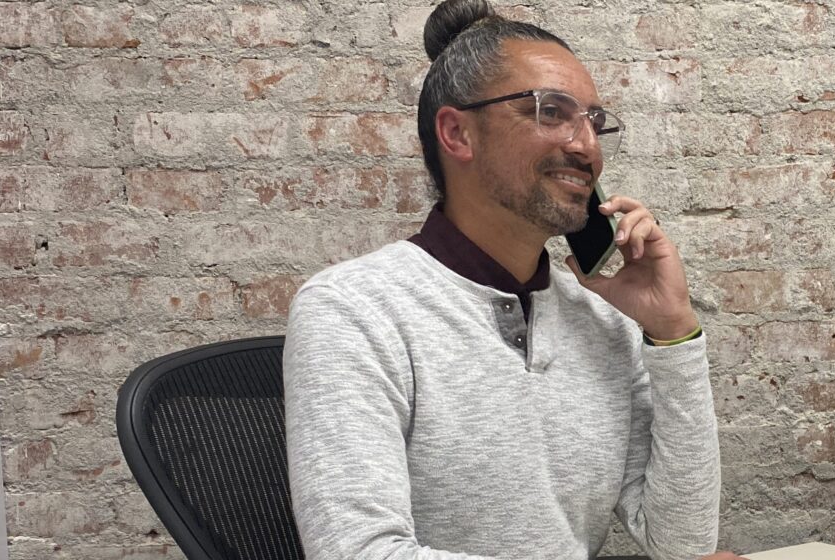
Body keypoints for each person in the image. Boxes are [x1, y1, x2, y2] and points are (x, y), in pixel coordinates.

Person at [284, 1, 739, 558]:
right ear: (457, 133)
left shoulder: (603, 320)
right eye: (552, 112)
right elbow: (358, 553)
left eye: (594, 122)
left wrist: (672, 331)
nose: (587, 146)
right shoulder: (353, 310)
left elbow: (682, 546)